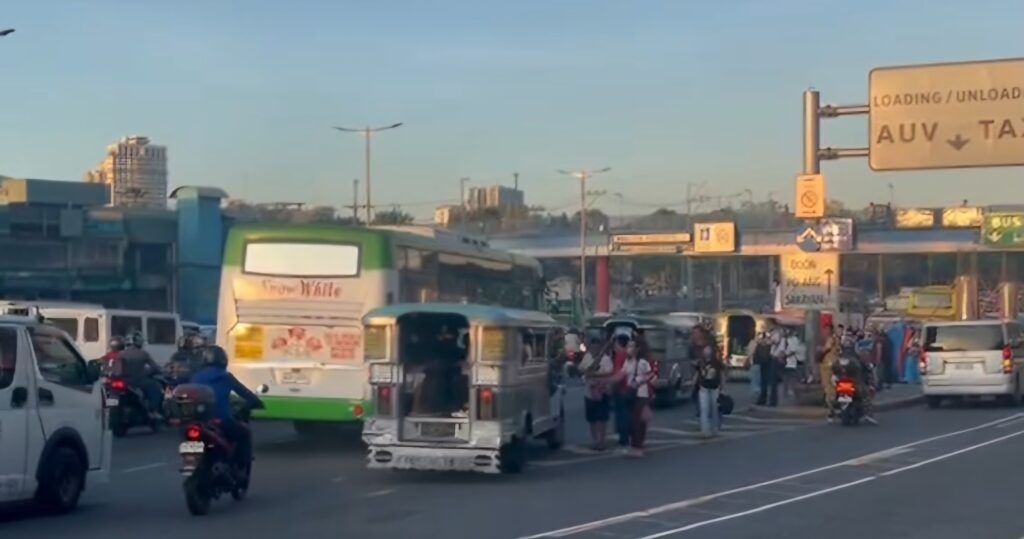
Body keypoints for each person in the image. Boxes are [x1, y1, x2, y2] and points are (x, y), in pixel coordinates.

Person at [190, 345, 264, 473]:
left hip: (198, 420)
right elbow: (246, 394)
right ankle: (241, 464)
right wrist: (255, 402)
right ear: (223, 360)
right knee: (244, 433)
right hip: (222, 419)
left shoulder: (196, 377)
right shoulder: (226, 377)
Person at [117, 331, 165, 418]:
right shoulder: (143, 353)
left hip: (124, 382)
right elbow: (154, 367)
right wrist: (148, 372)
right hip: (139, 381)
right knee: (156, 388)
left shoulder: (120, 354)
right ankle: (153, 410)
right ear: (139, 341)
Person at [578, 337, 613, 450]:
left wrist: (594, 375)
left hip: (602, 391)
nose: (594, 349)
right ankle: (595, 441)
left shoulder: (606, 359)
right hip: (589, 392)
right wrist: (587, 372)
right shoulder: (587, 357)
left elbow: (609, 373)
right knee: (592, 419)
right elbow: (581, 370)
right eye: (592, 347)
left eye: (597, 346)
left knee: (602, 418)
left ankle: (602, 441)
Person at [622, 339, 654, 456]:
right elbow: (622, 374)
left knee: (637, 421)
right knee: (633, 420)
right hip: (631, 393)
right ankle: (636, 444)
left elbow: (650, 374)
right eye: (628, 346)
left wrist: (639, 380)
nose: (629, 349)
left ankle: (637, 447)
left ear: (637, 349)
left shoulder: (642, 362)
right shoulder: (628, 362)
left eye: (631, 346)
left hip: (641, 393)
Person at [694, 341, 727, 438]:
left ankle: (715, 429)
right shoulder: (701, 362)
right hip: (703, 388)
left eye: (708, 349)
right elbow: (697, 373)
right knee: (704, 409)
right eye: (705, 349)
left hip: (714, 388)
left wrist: (723, 387)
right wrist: (693, 384)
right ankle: (705, 431)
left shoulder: (716, 362)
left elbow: (722, 374)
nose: (706, 351)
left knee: (714, 409)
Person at [605, 334, 633, 448]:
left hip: (622, 389)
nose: (614, 346)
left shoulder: (620, 356)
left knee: (622, 414)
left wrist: (609, 385)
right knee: (628, 414)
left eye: (615, 343)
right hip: (631, 388)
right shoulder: (630, 355)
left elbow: (618, 374)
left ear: (620, 344)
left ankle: (624, 438)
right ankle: (629, 436)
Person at [818, 324, 840, 417]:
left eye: (825, 329)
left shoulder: (831, 339)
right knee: (832, 384)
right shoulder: (836, 338)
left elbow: (827, 348)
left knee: (829, 386)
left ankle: (831, 408)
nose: (824, 332)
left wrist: (819, 350)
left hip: (828, 364)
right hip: (834, 362)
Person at [781, 328, 804, 402]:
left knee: (794, 380)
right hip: (785, 363)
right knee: (785, 380)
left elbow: (794, 350)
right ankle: (785, 395)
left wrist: (786, 355)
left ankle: (797, 396)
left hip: (792, 363)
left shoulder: (794, 339)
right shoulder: (783, 340)